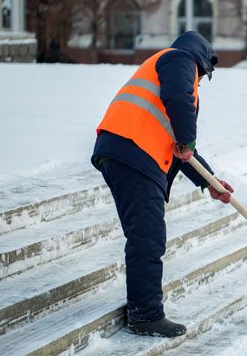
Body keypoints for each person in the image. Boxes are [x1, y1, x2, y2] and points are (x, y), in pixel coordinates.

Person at [91, 31, 234, 338]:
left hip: (125, 151)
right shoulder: (178, 60)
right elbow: (180, 110)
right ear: (202, 61)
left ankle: (144, 308)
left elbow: (182, 151)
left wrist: (210, 182)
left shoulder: (167, 76)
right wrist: (187, 138)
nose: (199, 82)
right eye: (203, 75)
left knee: (145, 233)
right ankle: (146, 314)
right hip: (133, 151)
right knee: (148, 235)